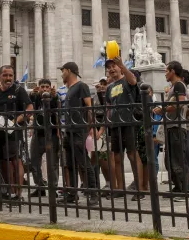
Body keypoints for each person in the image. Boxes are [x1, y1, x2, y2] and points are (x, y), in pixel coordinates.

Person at [0, 65, 32, 201]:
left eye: (10, 75)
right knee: (3, 161)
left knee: (15, 160)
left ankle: (18, 194)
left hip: (14, 131)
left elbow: (30, 108)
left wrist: (16, 121)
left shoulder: (19, 90)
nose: (8, 78)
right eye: (5, 75)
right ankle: (10, 190)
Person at [56, 62, 98, 206]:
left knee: (83, 163)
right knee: (70, 164)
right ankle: (72, 194)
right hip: (68, 129)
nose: (62, 74)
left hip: (79, 129)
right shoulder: (70, 89)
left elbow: (89, 106)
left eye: (63, 71)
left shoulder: (81, 86)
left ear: (68, 71)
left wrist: (91, 127)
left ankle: (93, 193)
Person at [105, 57, 145, 200]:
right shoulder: (109, 87)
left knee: (133, 154)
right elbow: (109, 105)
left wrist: (122, 65)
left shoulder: (127, 80)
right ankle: (120, 188)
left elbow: (134, 81)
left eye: (113, 66)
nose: (111, 69)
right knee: (116, 156)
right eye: (109, 67)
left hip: (129, 122)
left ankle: (139, 189)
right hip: (115, 124)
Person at [155, 60, 189, 197]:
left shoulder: (179, 86)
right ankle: (178, 186)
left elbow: (180, 103)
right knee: (170, 160)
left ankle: (185, 189)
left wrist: (162, 109)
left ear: (172, 71)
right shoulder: (173, 87)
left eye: (166, 71)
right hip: (171, 126)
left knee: (178, 159)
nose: (164, 74)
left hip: (177, 126)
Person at [28, 79, 60, 197]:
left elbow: (58, 112)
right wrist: (32, 94)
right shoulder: (36, 98)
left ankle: (53, 188)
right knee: (34, 161)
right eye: (42, 87)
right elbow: (29, 105)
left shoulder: (54, 98)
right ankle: (40, 186)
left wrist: (55, 97)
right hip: (38, 133)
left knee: (53, 163)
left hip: (51, 134)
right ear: (39, 87)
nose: (45, 89)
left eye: (47, 87)